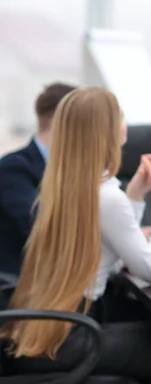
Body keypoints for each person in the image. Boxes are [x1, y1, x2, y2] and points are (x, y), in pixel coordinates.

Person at [1, 88, 151, 384]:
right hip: (72, 336)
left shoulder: (62, 185)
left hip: (42, 328)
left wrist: (135, 197)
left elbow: (106, 256)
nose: (125, 124)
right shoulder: (106, 195)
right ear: (107, 131)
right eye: (121, 117)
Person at [0, 82, 77, 275]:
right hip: (22, 284)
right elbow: (39, 229)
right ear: (60, 119)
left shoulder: (72, 169)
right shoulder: (14, 167)